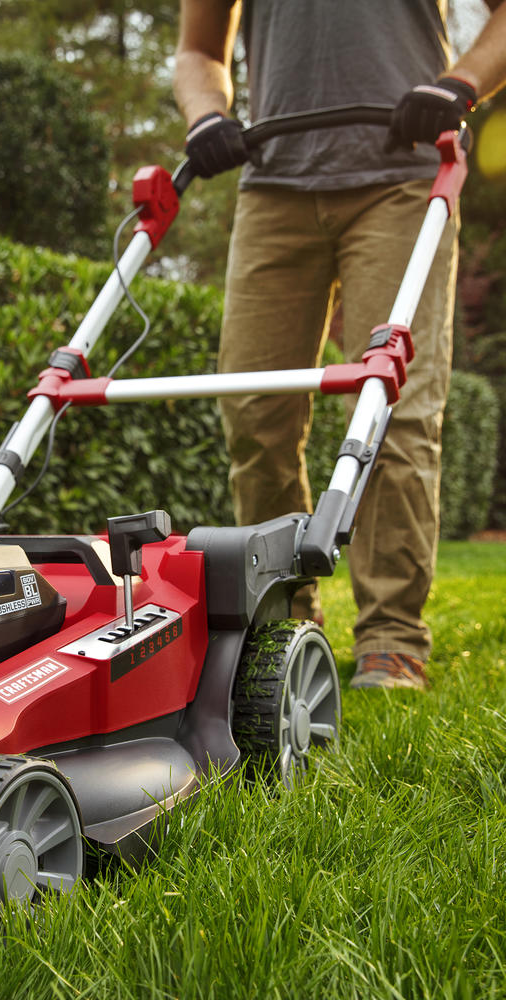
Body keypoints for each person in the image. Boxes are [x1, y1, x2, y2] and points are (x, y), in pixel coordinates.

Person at [173, 1, 506, 689]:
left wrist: (460, 83)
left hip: (405, 168)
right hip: (273, 184)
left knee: (395, 407)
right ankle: (284, 618)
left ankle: (391, 635)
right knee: (255, 413)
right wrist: (206, 115)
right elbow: (199, 51)